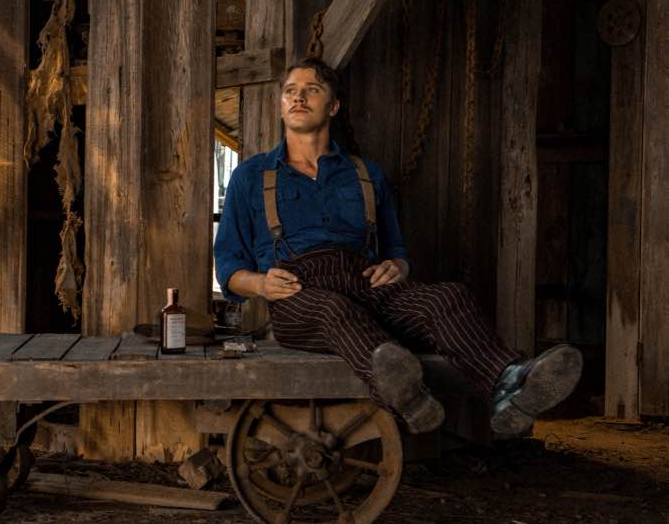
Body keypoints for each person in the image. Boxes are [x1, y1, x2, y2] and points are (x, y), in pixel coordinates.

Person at [214, 57, 581, 435]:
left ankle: (511, 383)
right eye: (290, 91)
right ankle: (409, 397)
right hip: (299, 295)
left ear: (334, 106)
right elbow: (228, 265)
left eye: (312, 90)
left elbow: (396, 250)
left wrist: (399, 268)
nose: (298, 98)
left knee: (448, 297)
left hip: (366, 285)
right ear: (281, 104)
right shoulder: (252, 176)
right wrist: (260, 285)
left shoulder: (365, 174)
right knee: (335, 310)